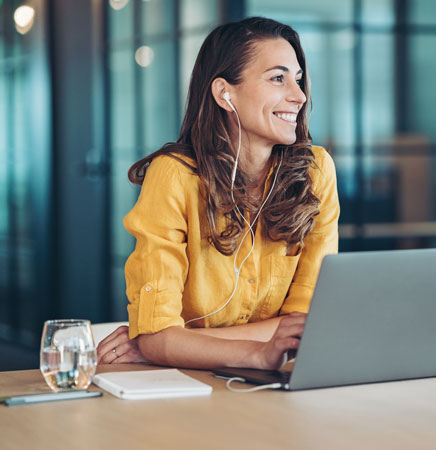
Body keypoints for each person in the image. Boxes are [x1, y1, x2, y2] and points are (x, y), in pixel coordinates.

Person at [96, 17, 339, 371]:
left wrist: (171, 344)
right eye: (277, 78)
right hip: (189, 389)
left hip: (277, 387)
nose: (299, 96)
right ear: (225, 93)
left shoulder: (316, 172)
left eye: (298, 80)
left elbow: (305, 329)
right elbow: (158, 334)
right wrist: (256, 349)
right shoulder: (175, 176)